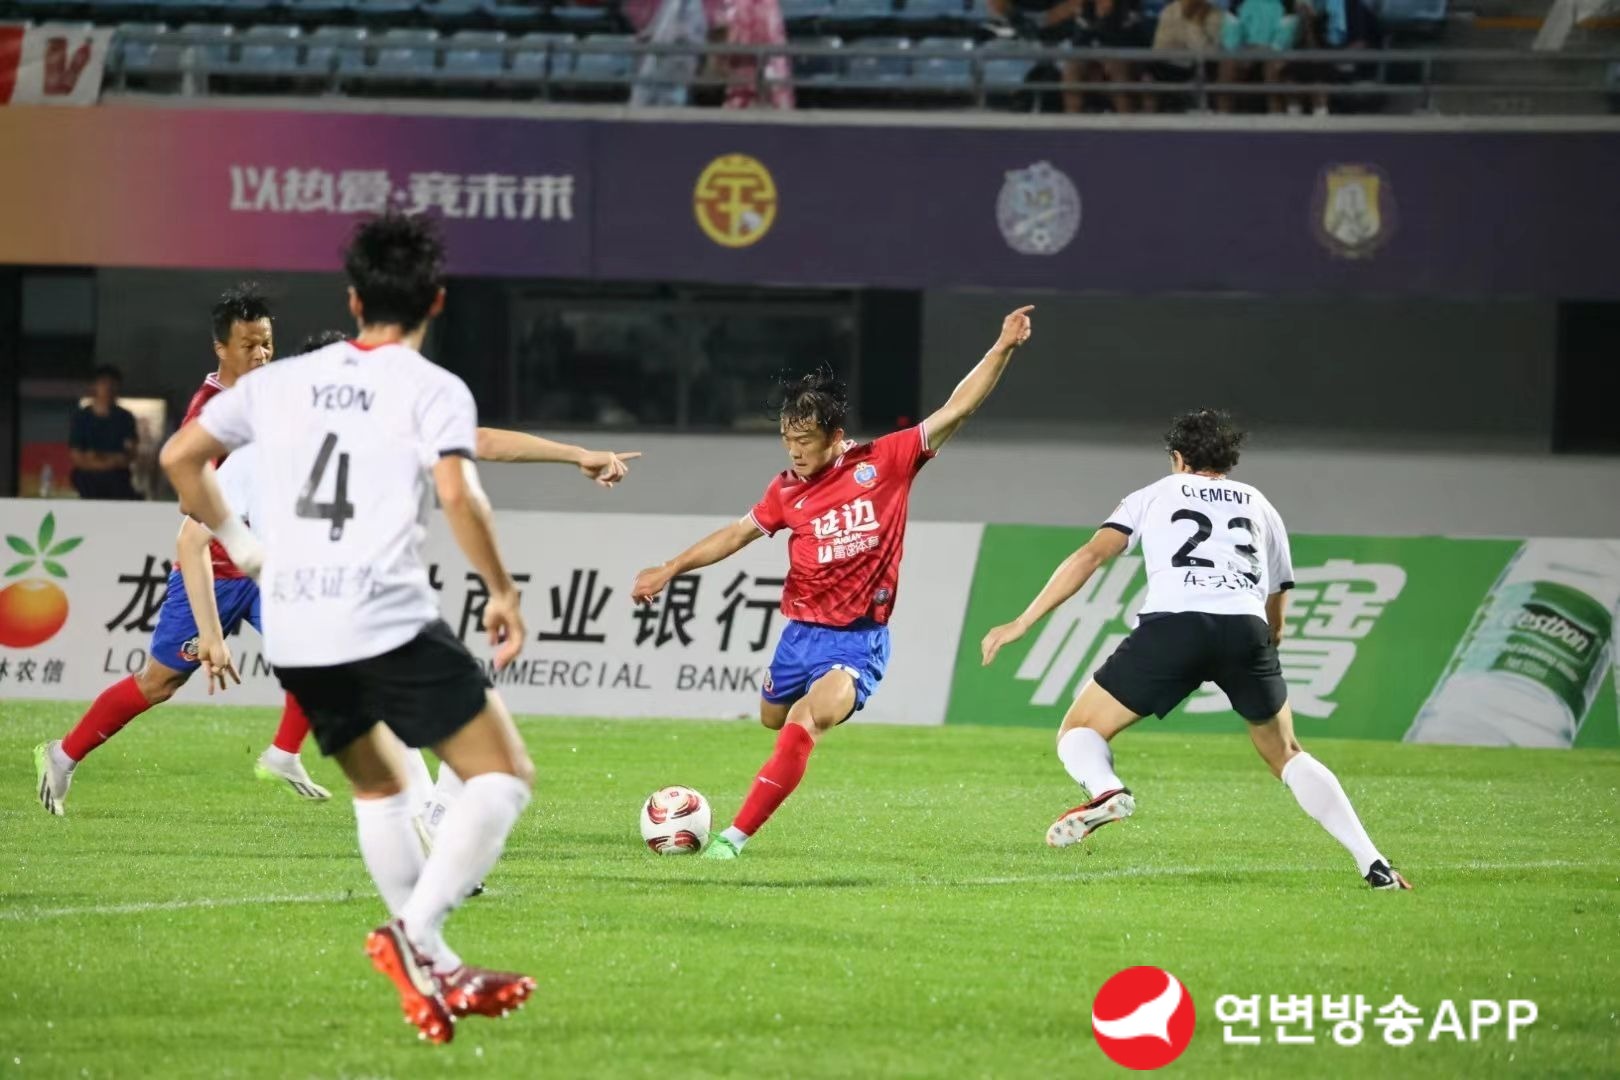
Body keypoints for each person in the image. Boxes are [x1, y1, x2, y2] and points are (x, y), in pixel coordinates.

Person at [161, 212, 540, 1044]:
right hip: (380, 612)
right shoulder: (431, 387)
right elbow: (458, 494)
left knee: (383, 789)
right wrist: (502, 590)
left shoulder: (280, 383)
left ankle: (431, 966)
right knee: (504, 775)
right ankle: (417, 935)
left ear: (354, 298)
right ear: (435, 301)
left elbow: (179, 459)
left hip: (298, 623)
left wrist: (244, 548)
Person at [632, 306, 1034, 860]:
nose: (795, 451)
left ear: (836, 437)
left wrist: (1002, 347)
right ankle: (784, 739)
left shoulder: (885, 462)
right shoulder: (785, 491)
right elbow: (737, 534)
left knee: (803, 722)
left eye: (805, 440)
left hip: (856, 642)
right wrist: (670, 567)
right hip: (799, 634)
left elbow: (956, 409)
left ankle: (733, 839)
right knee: (772, 717)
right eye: (787, 440)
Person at [979, 408, 1411, 891]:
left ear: (1178, 457)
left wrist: (1022, 621)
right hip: (1245, 629)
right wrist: (1266, 641)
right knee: (1286, 752)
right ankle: (1374, 863)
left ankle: (1107, 790)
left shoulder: (1154, 494)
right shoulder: (1260, 504)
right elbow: (1278, 594)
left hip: (1175, 625)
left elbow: (1090, 556)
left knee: (1079, 729)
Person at [35, 290, 337, 811]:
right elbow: (190, 509)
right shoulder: (209, 412)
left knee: (324, 653)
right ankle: (63, 755)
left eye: (267, 342)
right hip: (213, 572)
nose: (262, 354)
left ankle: (284, 753)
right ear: (221, 348)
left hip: (263, 569)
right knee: (159, 683)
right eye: (248, 345)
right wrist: (213, 632)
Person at [68, 366, 140, 500]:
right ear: (94, 386)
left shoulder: (125, 418)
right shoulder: (81, 418)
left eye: (113, 384)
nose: (108, 388)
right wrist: (105, 461)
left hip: (118, 480)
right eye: (103, 383)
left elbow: (129, 455)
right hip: (86, 479)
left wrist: (98, 457)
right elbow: (77, 456)